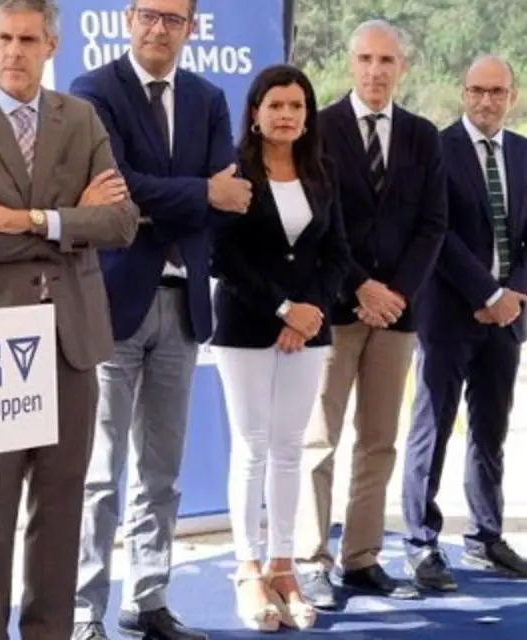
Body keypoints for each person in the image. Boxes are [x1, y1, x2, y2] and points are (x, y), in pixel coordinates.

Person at [0, 0, 139, 640]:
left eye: (28, 39)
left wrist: (27, 219)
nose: (15, 51)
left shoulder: (81, 118)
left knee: (61, 503)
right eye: (5, 38)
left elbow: (121, 223)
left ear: (52, 45)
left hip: (69, 342)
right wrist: (72, 219)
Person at [67, 0, 247, 640]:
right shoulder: (93, 91)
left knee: (162, 473)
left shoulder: (208, 99)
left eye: (173, 19)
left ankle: (148, 599)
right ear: (128, 19)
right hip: (115, 303)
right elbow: (117, 188)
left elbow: (227, 196)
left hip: (183, 304)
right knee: (100, 474)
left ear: (190, 29)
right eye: (149, 15)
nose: (158, 29)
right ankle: (85, 609)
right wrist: (197, 194)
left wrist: (171, 200)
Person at [294, 19, 447, 607]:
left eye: (387, 60)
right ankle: (311, 559)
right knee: (319, 440)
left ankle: (361, 558)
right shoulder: (320, 129)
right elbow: (317, 221)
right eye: (365, 59)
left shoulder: (423, 136)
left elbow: (433, 223)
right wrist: (361, 286)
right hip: (335, 307)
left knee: (379, 441)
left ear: (402, 67)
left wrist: (396, 293)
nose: (376, 71)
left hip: (397, 316)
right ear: (350, 63)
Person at [401, 55, 527, 591]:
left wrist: (514, 295)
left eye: (497, 92)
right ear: (462, 93)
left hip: (506, 320)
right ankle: (421, 543)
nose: (486, 101)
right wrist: (486, 293)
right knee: (432, 430)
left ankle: (487, 538)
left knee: (491, 432)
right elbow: (437, 233)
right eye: (477, 91)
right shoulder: (437, 149)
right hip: (448, 315)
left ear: (513, 96)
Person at [209, 64, 350, 632]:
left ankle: (284, 566)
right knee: (252, 446)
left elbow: (337, 252)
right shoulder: (233, 171)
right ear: (255, 113)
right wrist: (283, 308)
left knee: (291, 447)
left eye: (296, 106)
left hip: (310, 329)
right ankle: (248, 569)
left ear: (307, 115)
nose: (286, 115)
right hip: (245, 324)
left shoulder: (323, 171)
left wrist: (309, 309)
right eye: (276, 106)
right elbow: (223, 256)